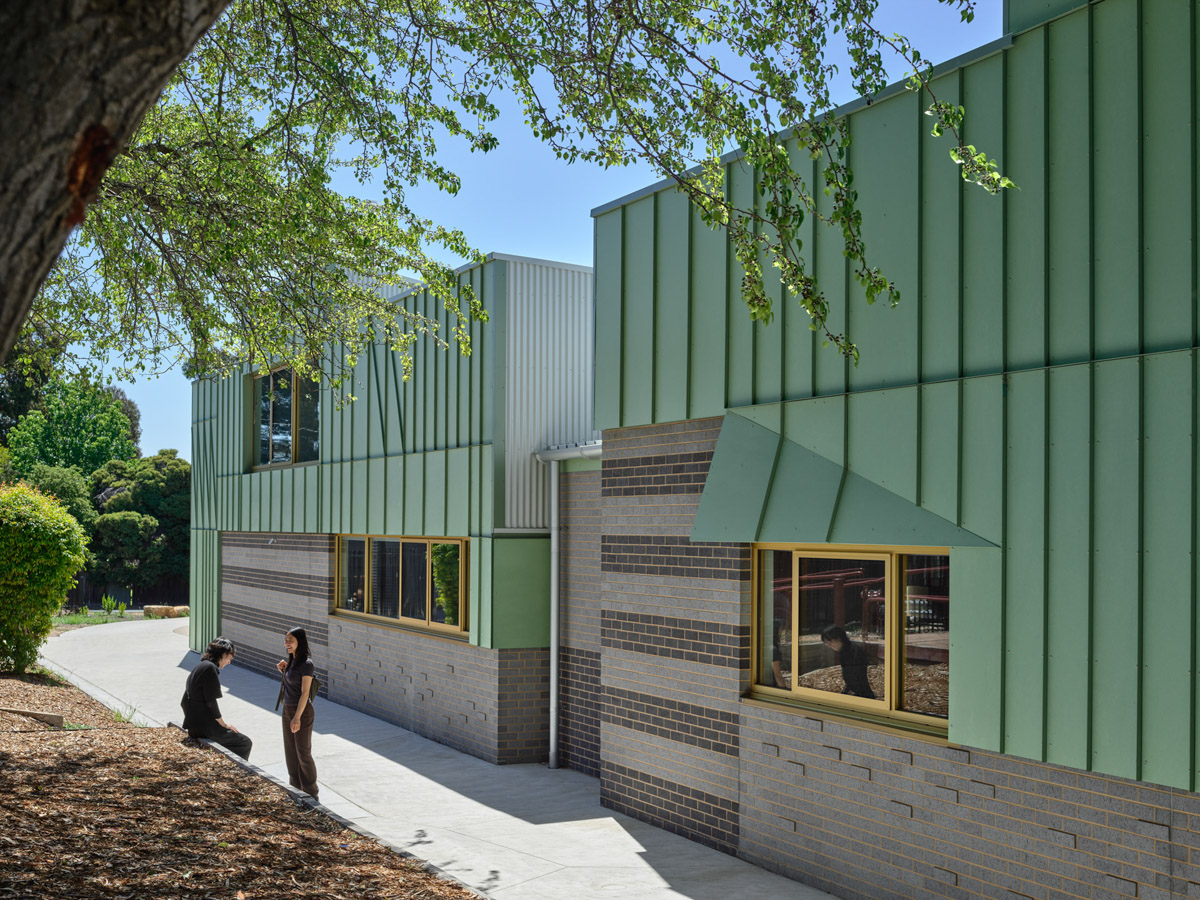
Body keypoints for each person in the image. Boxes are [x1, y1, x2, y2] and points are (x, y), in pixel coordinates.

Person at [181, 637, 253, 759]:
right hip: (204, 727)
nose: (229, 662)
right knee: (244, 743)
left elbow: (184, 701)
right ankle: (237, 771)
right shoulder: (210, 669)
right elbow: (211, 702)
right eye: (230, 658)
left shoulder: (199, 667)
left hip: (194, 725)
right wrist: (224, 725)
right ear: (224, 655)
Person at [276, 626, 319, 797]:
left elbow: (305, 693)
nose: (287, 643)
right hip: (287, 709)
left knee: (303, 751)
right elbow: (291, 684)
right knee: (290, 751)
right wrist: (284, 670)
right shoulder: (291, 660)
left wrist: (297, 717)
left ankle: (311, 792)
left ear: (300, 642)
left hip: (301, 712)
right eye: (286, 639)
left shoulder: (306, 664)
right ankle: (295, 788)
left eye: (290, 640)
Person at [821, 624, 875, 699]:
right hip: (855, 690)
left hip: (862, 694)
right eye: (826, 642)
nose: (829, 645)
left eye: (830, 641)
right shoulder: (843, 650)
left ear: (839, 638)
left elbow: (856, 678)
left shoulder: (854, 652)